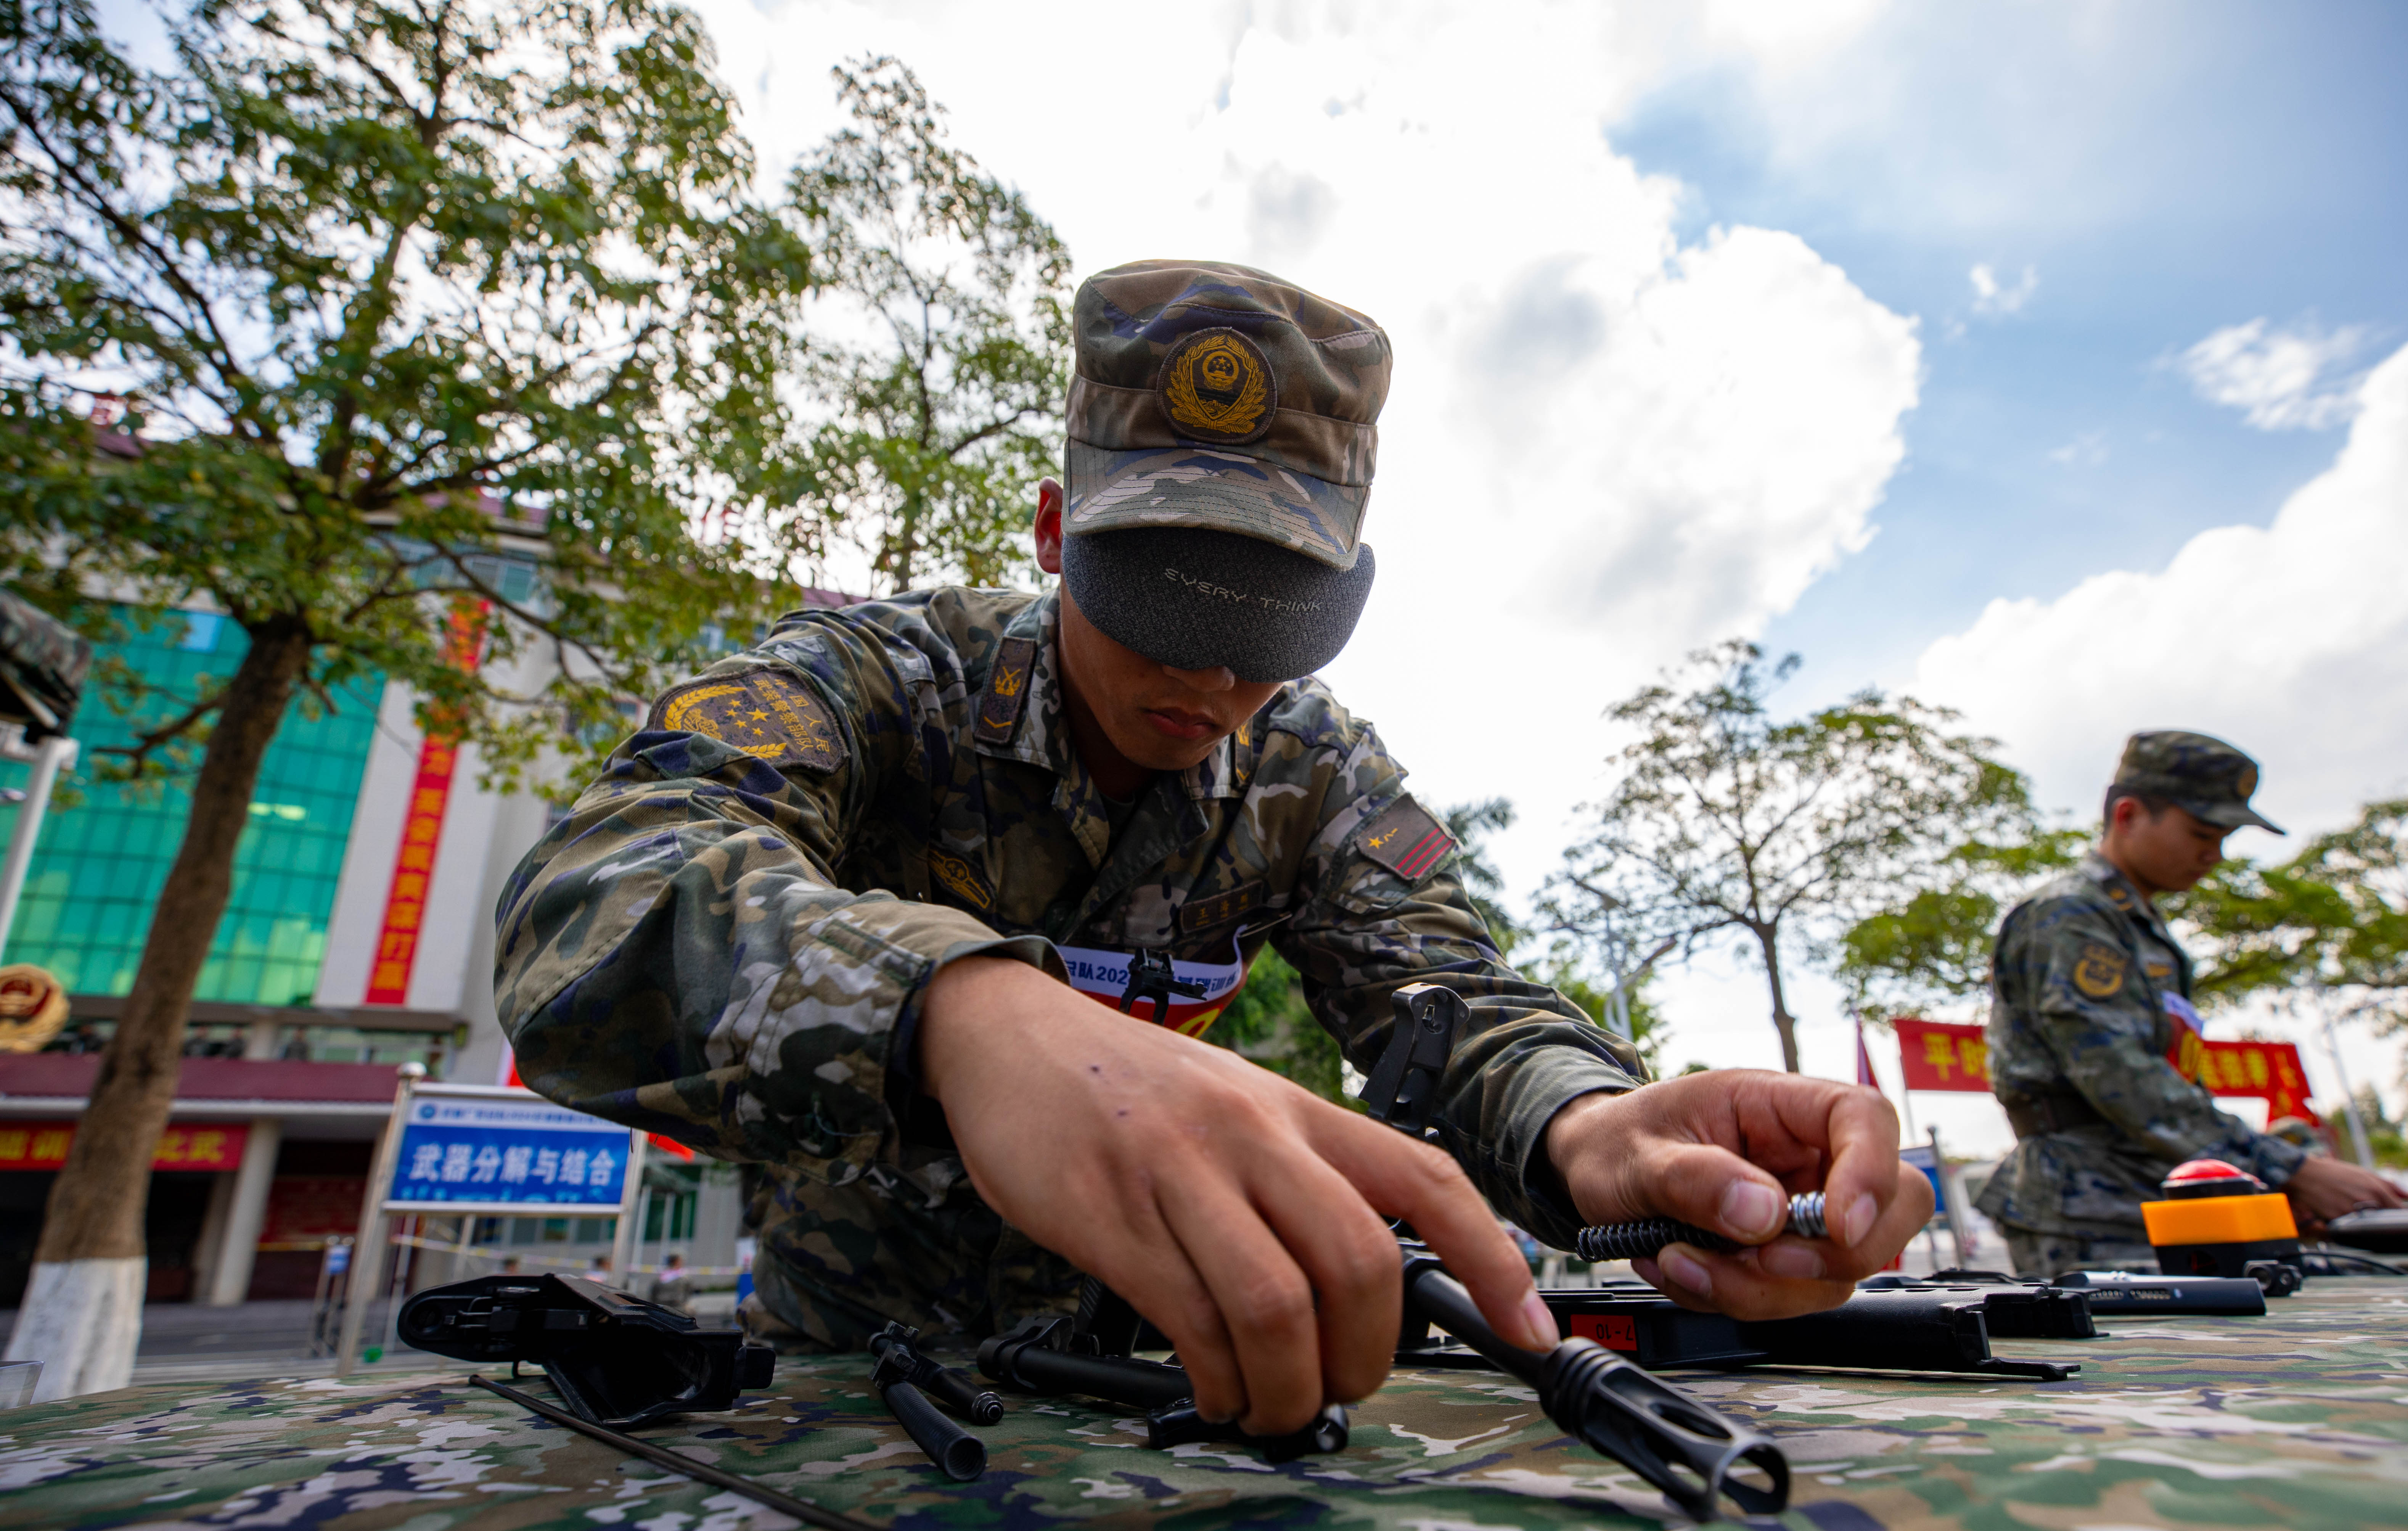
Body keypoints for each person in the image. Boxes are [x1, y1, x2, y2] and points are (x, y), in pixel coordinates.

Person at [494, 259, 1932, 1436]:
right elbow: (599, 896)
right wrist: (957, 1011)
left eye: (1267, 627)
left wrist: (1588, 1120)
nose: (1211, 680)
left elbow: (1451, 1007)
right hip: (847, 1403)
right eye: (1163, 603)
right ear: (1057, 529)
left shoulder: (1311, 775)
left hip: (1172, 1408)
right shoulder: (881, 680)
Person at [1975, 732, 2404, 1277]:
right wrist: (2286, 1169)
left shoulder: (2134, 923)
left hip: (2152, 1191)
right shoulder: (2072, 917)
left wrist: (2249, 1182)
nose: (2214, 856)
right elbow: (2121, 1077)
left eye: (2223, 838)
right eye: (2201, 834)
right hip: (2089, 1208)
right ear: (2129, 814)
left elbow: (2173, 1076)